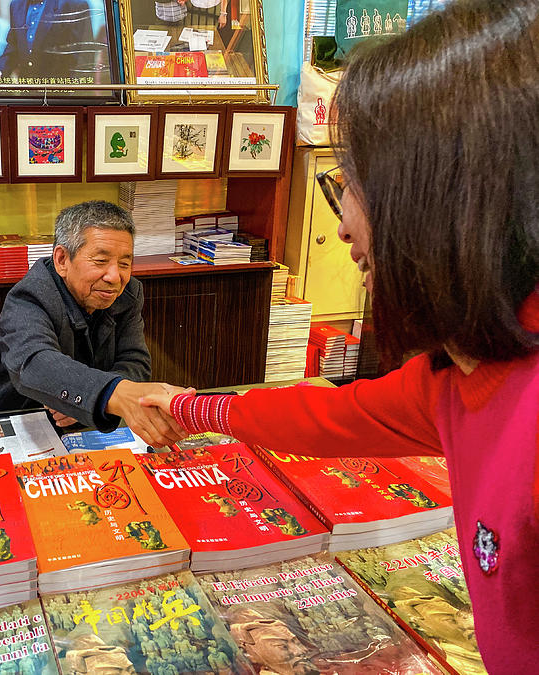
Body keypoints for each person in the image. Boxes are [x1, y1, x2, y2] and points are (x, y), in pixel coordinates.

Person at [138, 1, 539, 670]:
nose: (343, 224)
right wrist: (189, 406)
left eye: (350, 181)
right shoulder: (461, 369)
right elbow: (329, 415)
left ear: (437, 195)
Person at [0, 200, 188, 448]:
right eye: (100, 261)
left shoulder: (128, 292)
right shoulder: (30, 296)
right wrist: (106, 394)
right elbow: (34, 363)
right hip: (5, 425)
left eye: (125, 263)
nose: (115, 277)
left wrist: (88, 400)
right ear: (61, 260)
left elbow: (135, 361)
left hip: (77, 430)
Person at [0, 0, 93, 80]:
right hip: (27, 94)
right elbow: (13, 46)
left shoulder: (75, 3)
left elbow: (83, 57)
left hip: (60, 95)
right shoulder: (16, 4)